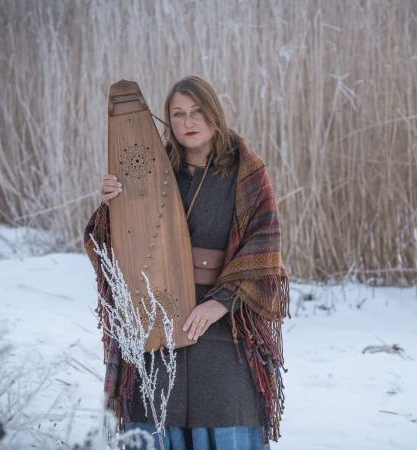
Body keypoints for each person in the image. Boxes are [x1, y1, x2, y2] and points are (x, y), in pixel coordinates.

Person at [83, 76, 290, 450]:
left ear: (214, 113)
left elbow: (265, 245)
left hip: (225, 323)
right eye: (177, 113)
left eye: (196, 111)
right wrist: (112, 206)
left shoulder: (248, 173)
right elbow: (110, 249)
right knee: (153, 412)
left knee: (228, 411)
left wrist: (220, 303)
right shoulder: (148, 172)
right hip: (156, 316)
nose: (188, 121)